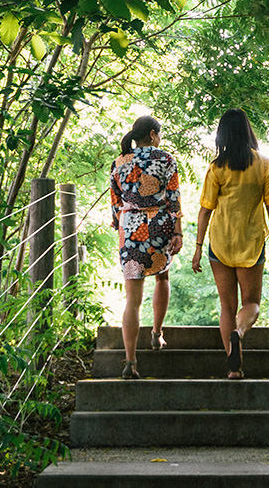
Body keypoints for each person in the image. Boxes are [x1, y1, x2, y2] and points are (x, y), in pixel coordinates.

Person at [191, 109, 269, 379]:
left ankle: (235, 369)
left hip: (219, 243)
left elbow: (205, 210)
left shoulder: (216, 167)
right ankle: (239, 332)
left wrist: (198, 247)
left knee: (226, 307)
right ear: (248, 131)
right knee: (251, 303)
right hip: (251, 243)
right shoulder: (263, 164)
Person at [109, 114, 183, 380]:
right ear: (153, 134)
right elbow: (173, 198)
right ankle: (156, 334)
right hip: (159, 224)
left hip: (129, 227)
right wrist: (178, 232)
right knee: (162, 277)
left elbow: (116, 205)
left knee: (132, 298)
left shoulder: (119, 163)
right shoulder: (166, 159)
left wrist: (125, 227)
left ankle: (130, 361)